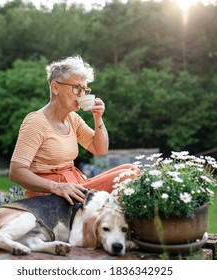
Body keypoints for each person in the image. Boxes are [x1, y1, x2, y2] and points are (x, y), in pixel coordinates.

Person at [9, 55, 139, 205]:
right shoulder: (36, 122)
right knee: (127, 175)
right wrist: (57, 187)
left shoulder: (72, 118)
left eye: (84, 89)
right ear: (56, 87)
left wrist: (98, 117)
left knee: (131, 168)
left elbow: (100, 149)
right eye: (77, 88)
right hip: (53, 196)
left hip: (75, 187)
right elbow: (16, 171)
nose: (82, 95)